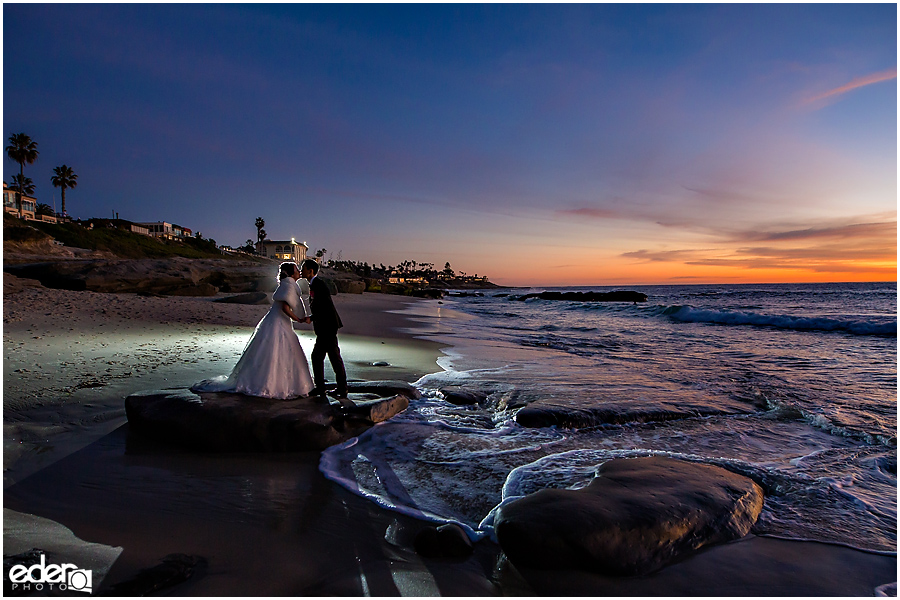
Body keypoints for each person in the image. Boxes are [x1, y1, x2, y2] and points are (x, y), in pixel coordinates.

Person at [192, 262, 314, 399]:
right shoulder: (289, 286)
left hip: (275, 320)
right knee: (278, 351)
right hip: (279, 322)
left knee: (270, 351)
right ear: (291, 273)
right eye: (297, 269)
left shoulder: (287, 284)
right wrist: (299, 319)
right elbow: (285, 308)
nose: (299, 271)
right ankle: (273, 385)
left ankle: (268, 382)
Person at [300, 258, 348, 399]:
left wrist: (312, 317)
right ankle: (335, 388)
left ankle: (325, 388)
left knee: (323, 357)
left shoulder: (319, 285)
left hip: (327, 327)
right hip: (326, 326)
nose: (302, 270)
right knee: (329, 357)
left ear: (310, 271)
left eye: (303, 268)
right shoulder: (314, 284)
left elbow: (324, 307)